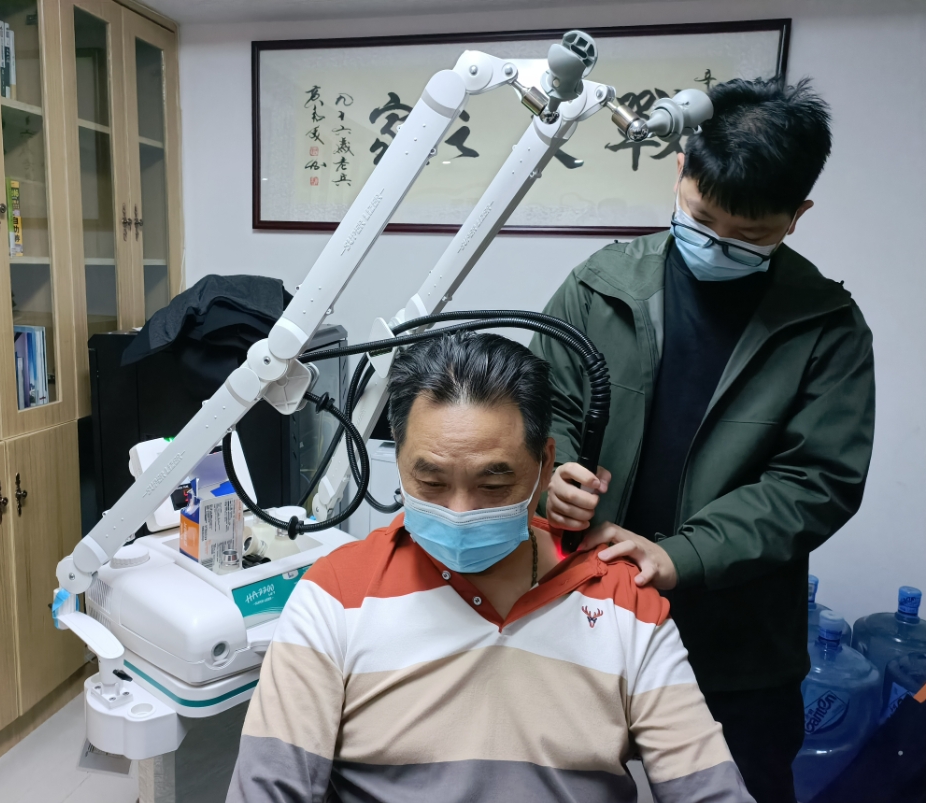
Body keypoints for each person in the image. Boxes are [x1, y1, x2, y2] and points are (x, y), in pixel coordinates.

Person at [532, 77, 875, 803]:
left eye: (750, 235)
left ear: (798, 216)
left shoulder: (825, 326)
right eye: (703, 218)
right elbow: (542, 407)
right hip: (584, 614)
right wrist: (550, 474)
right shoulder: (599, 286)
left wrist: (681, 555)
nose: (719, 244)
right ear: (681, 167)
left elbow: (816, 483)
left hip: (737, 649)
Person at [228, 331, 753, 803]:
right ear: (398, 461)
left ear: (545, 465)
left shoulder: (622, 600)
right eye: (431, 482)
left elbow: (709, 790)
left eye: (494, 484)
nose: (460, 512)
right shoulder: (335, 595)